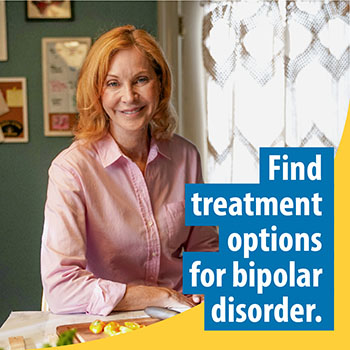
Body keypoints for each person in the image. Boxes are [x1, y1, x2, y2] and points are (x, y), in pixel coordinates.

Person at [41, 25, 218, 316]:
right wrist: (154, 296)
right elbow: (61, 288)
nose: (129, 96)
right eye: (113, 83)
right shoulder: (71, 170)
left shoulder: (186, 156)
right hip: (108, 325)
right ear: (97, 92)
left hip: (181, 317)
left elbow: (205, 249)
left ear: (160, 85)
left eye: (141, 80)